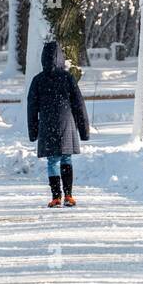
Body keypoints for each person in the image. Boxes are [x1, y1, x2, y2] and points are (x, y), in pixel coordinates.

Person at [27, 40, 90, 206]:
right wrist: (84, 130)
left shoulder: (38, 80)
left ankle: (56, 197)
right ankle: (69, 195)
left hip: (47, 125)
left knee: (52, 161)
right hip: (66, 124)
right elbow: (78, 104)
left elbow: (31, 107)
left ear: (43, 59)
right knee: (66, 158)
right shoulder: (67, 78)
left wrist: (33, 131)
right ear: (61, 58)